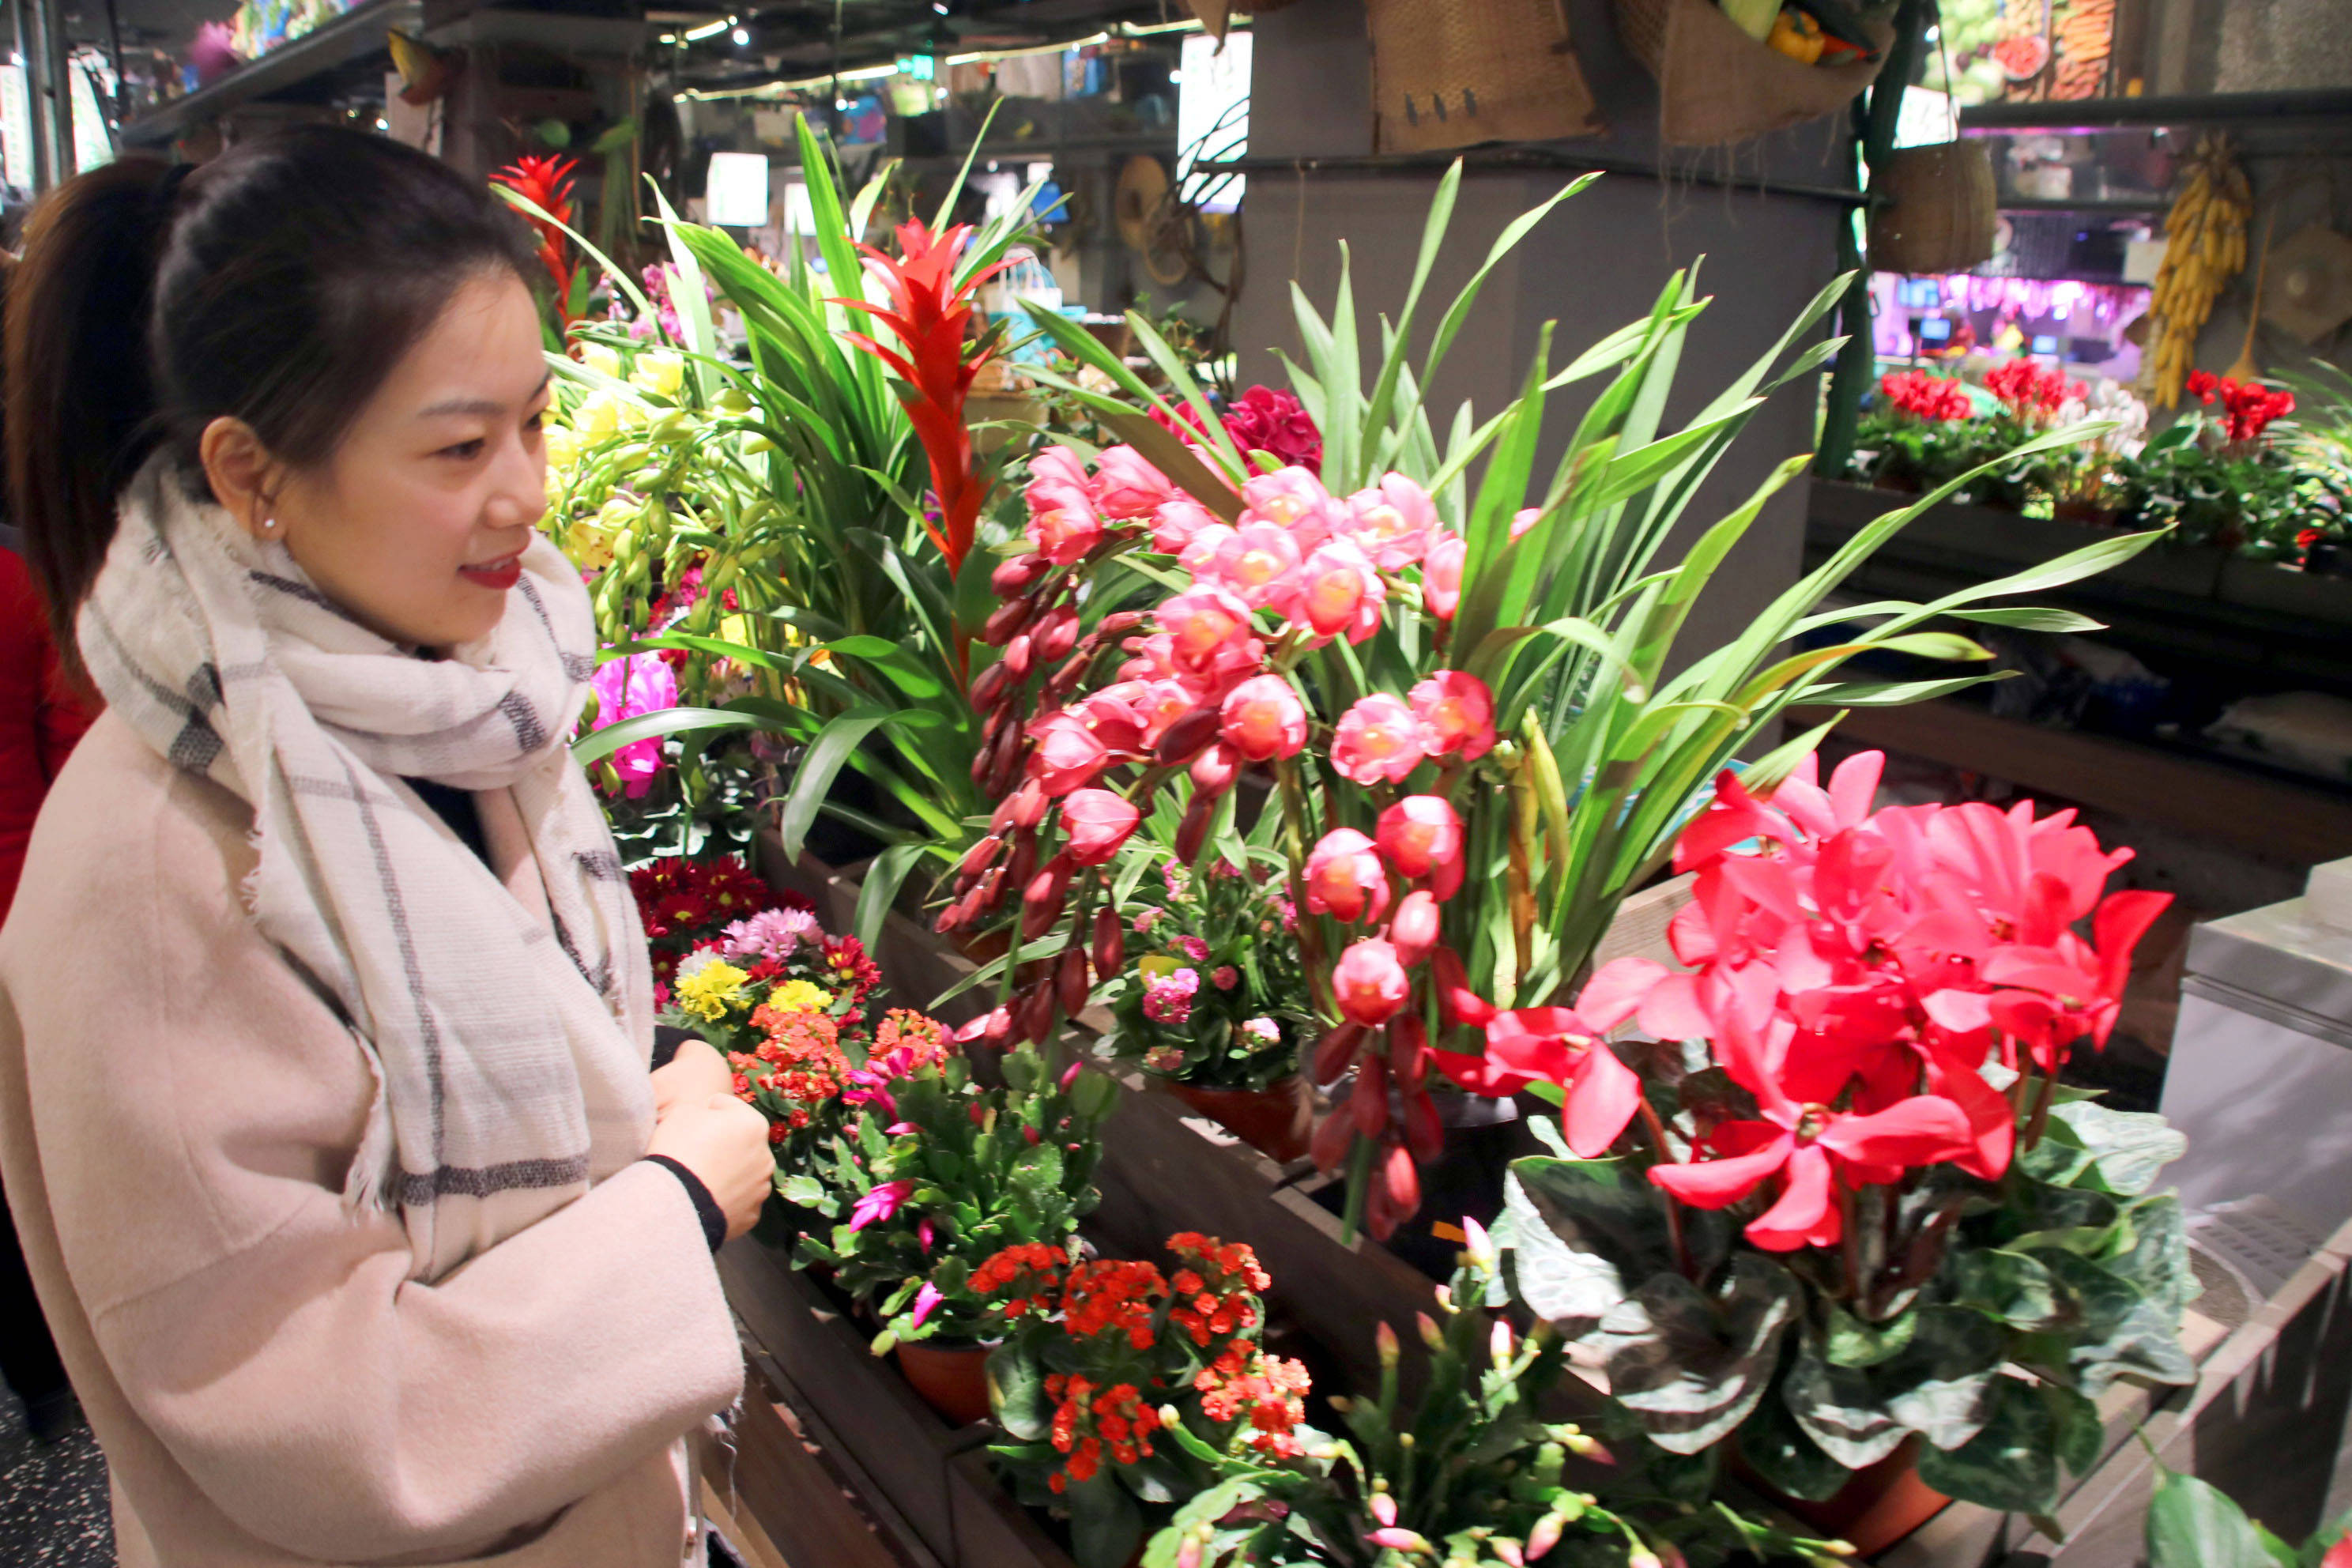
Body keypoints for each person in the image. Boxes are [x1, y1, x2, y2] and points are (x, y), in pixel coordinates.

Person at [0, 129, 776, 1567]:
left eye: (538, 424)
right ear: (252, 475)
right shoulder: (162, 863)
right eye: (460, 446)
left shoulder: (467, 708)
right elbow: (307, 1406)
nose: (528, 492)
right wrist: (671, 1206)